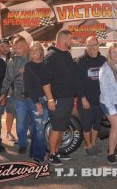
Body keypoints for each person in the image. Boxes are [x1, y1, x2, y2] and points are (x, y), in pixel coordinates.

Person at [42, 29, 77, 166]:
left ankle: (57, 151)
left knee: (62, 126)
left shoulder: (66, 54)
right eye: (70, 39)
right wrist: (50, 99)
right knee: (56, 127)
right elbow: (45, 81)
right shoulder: (51, 56)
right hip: (57, 100)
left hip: (67, 99)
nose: (72, 42)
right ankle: (51, 154)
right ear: (64, 39)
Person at [0, 36, 30, 154]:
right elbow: (7, 79)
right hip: (19, 98)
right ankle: (22, 144)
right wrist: (2, 94)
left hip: (34, 98)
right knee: (21, 123)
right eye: (15, 47)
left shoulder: (34, 57)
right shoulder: (13, 61)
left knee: (33, 123)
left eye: (20, 46)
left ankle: (35, 143)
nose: (17, 49)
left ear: (26, 45)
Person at [76, 36, 106, 157]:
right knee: (87, 126)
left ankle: (93, 144)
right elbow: (77, 82)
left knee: (97, 124)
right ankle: (88, 146)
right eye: (89, 45)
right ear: (86, 46)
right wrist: (83, 98)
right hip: (86, 101)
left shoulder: (103, 60)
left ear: (98, 45)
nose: (92, 47)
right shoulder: (81, 61)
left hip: (100, 100)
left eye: (95, 44)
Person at [99, 43, 117, 164]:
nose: (116, 54)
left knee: (115, 129)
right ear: (109, 53)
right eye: (113, 52)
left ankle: (112, 147)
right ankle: (110, 154)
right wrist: (111, 109)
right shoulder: (105, 68)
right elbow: (105, 91)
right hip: (109, 103)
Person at [23, 41, 49, 163]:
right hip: (33, 100)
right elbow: (28, 87)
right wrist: (37, 103)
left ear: (41, 52)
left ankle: (34, 152)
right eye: (32, 51)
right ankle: (40, 155)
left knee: (36, 128)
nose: (34, 53)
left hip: (45, 99)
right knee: (40, 128)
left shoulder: (45, 65)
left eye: (37, 50)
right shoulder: (28, 66)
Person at [0, 38, 16, 141]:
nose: (4, 48)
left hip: (11, 90)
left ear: (9, 46)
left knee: (10, 112)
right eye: (2, 46)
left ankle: (8, 132)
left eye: (6, 46)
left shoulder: (14, 57)